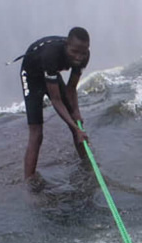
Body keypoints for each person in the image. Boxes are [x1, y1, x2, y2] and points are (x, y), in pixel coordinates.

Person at [17, 27, 90, 181]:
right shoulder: (51, 55)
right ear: (66, 45)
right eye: (74, 52)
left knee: (76, 123)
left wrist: (76, 113)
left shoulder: (83, 56)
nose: (78, 57)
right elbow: (56, 100)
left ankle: (88, 165)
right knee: (37, 133)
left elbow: (71, 89)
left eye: (83, 53)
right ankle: (29, 182)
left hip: (50, 73)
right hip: (31, 75)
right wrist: (75, 127)